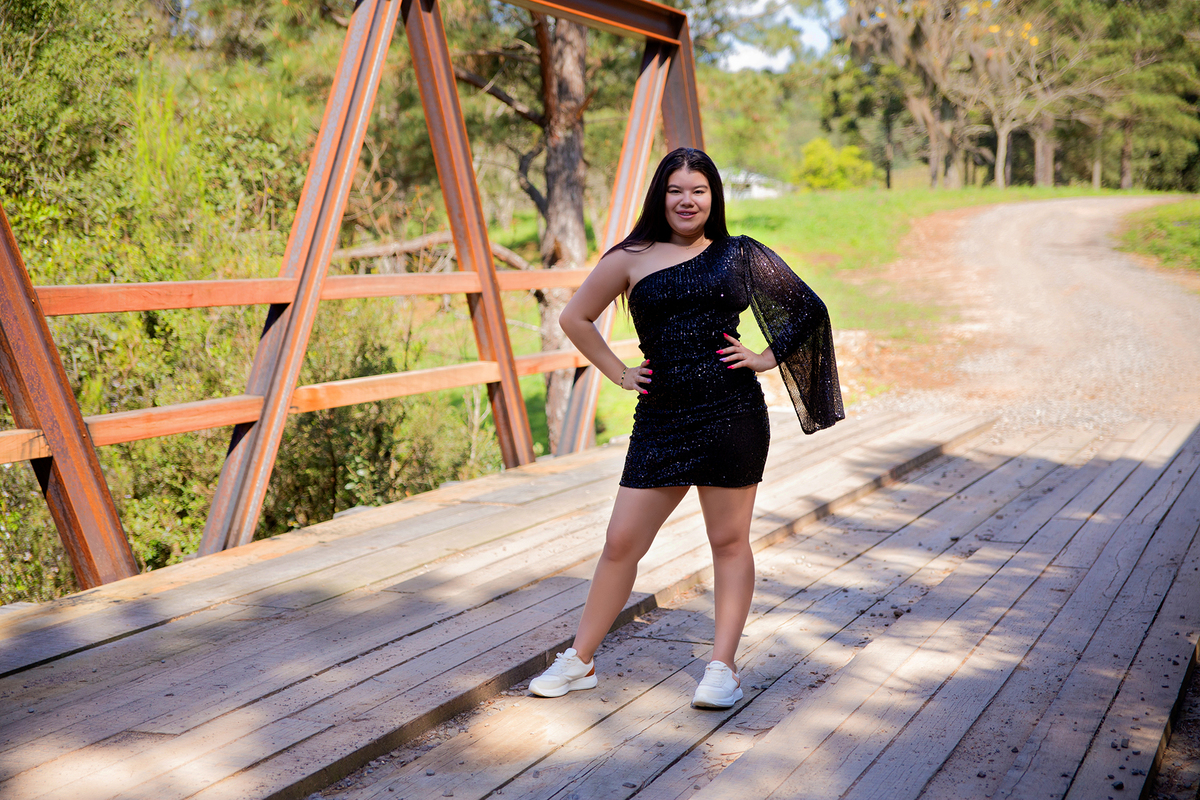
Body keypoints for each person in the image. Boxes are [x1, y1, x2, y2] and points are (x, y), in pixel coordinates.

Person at [528, 147, 843, 708]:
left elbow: (807, 309)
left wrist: (766, 357)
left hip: (731, 414)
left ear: (713, 197)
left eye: (698, 190)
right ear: (661, 196)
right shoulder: (629, 257)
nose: (687, 200)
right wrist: (620, 373)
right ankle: (579, 660)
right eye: (676, 190)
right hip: (661, 418)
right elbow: (574, 318)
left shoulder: (737, 254)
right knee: (621, 541)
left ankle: (721, 667)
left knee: (728, 541)